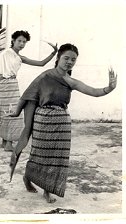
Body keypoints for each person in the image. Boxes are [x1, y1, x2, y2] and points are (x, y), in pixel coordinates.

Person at [7, 43, 117, 203]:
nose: (69, 62)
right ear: (58, 58)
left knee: (57, 160)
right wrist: (16, 111)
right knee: (40, 155)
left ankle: (47, 190)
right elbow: (27, 95)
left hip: (62, 124)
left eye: (73, 59)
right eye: (66, 58)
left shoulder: (70, 81)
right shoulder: (45, 76)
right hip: (43, 121)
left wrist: (109, 88)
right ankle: (28, 178)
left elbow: (93, 91)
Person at [0, 30, 57, 151]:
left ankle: (6, 141)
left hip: (13, 85)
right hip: (2, 85)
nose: (22, 44)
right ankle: (7, 143)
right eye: (19, 41)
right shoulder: (5, 54)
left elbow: (41, 63)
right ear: (13, 41)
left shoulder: (20, 57)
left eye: (24, 42)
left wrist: (53, 53)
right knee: (5, 113)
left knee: (14, 113)